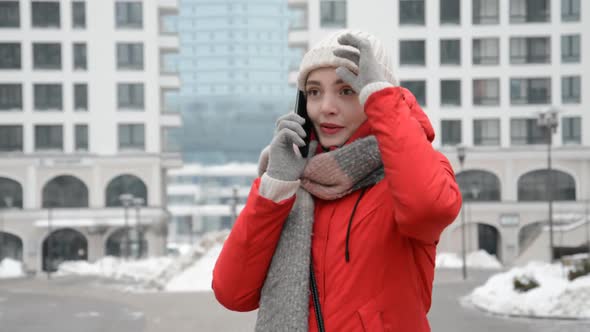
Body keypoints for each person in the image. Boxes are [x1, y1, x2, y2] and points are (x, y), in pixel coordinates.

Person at [212, 30, 462, 332]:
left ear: (374, 92)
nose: (326, 107)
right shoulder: (293, 181)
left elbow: (429, 209)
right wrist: (276, 186)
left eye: (346, 90)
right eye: (314, 92)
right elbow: (232, 291)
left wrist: (383, 100)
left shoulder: (413, 172)